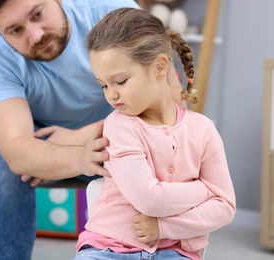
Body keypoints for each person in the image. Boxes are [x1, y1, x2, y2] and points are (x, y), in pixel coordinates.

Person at [0, 0, 183, 259]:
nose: (35, 35)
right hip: (48, 140)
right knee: (9, 170)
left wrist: (78, 138)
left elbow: (170, 102)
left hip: (119, 133)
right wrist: (78, 156)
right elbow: (17, 150)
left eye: (38, 14)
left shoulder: (113, 12)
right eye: (15, 30)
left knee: (158, 149)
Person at [74, 8, 236, 260]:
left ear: (160, 66)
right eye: (104, 85)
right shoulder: (119, 126)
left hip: (177, 252)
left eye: (121, 81)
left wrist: (164, 228)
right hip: (109, 248)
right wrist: (203, 191)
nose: (111, 95)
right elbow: (149, 200)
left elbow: (225, 208)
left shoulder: (203, 130)